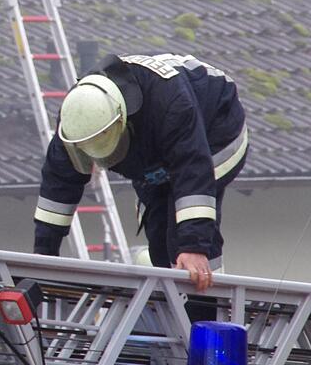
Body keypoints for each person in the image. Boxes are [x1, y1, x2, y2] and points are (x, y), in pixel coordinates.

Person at [33, 53, 248, 292]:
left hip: (215, 128)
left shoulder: (170, 103)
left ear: (121, 120)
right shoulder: (76, 120)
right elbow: (57, 186)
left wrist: (194, 247)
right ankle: (173, 311)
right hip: (155, 147)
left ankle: (206, 309)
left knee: (182, 239)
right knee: (158, 236)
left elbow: (192, 170)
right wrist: (44, 256)